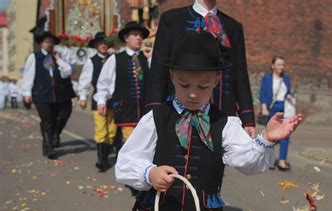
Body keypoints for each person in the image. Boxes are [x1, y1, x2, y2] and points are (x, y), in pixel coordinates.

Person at [115, 31, 302, 211]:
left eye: (202, 86)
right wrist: (149, 173)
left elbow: (247, 162)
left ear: (216, 80)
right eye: (184, 84)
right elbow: (125, 162)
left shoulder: (225, 123)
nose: (192, 93)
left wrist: (265, 140)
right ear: (172, 78)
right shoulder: (156, 118)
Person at [145, 0, 256, 138]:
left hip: (221, 114)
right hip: (177, 110)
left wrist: (248, 119)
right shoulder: (172, 19)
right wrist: (152, 113)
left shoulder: (233, 27)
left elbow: (240, 75)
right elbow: (158, 71)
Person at [94, 21, 151, 145]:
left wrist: (151, 58)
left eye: (140, 35)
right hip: (125, 109)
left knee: (143, 143)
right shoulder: (116, 59)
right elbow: (105, 81)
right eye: (135, 35)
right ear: (126, 38)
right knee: (131, 143)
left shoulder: (146, 58)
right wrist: (101, 100)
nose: (139, 38)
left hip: (145, 110)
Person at [22, 31, 76, 159]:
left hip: (57, 94)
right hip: (41, 94)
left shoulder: (58, 57)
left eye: (51, 42)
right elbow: (28, 75)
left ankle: (50, 140)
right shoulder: (34, 57)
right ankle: (49, 146)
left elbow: (67, 72)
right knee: (47, 121)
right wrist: (26, 93)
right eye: (47, 42)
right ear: (41, 43)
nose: (49, 44)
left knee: (58, 117)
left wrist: (58, 59)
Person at [78, 32, 116, 172]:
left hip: (112, 100)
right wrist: (83, 97)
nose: (103, 45)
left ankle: (105, 156)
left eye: (105, 43)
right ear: (96, 45)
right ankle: (101, 160)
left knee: (111, 131)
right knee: (101, 130)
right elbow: (84, 79)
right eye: (100, 43)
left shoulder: (114, 58)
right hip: (97, 100)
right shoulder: (92, 61)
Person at [259, 56, 295, 171]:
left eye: (283, 65)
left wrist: (289, 95)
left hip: (285, 108)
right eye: (279, 64)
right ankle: (270, 160)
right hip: (272, 108)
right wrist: (264, 107)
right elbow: (262, 93)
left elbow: (288, 91)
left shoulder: (286, 78)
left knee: (285, 135)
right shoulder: (267, 79)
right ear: (273, 66)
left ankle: (282, 161)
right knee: (271, 135)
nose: (281, 67)